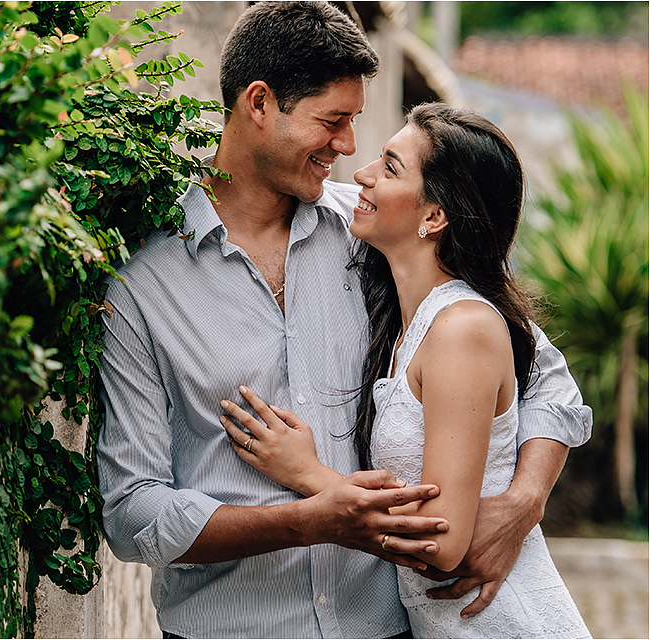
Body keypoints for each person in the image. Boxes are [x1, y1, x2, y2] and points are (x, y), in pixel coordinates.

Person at [96, 2, 591, 638]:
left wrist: (523, 501)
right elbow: (133, 511)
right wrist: (306, 520)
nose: (349, 145)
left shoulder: (374, 233)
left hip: (388, 625)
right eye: (333, 121)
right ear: (259, 103)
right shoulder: (144, 284)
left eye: (355, 122)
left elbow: (540, 371)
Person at [220, 103, 591, 638]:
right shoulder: (409, 315)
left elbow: (441, 544)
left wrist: (309, 475)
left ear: (435, 217)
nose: (361, 172)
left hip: (500, 621)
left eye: (390, 166)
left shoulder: (462, 327)